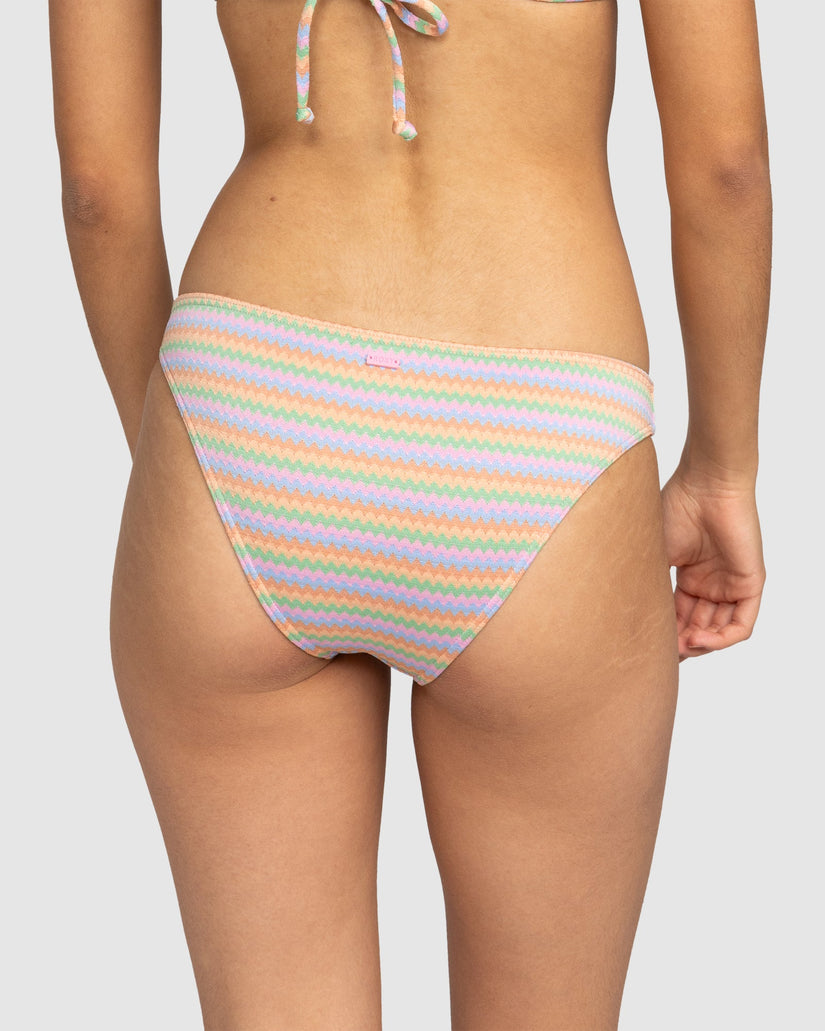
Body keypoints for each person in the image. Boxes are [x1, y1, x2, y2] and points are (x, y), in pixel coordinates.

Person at [49, 0, 770, 1027]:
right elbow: (725, 165)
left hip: (249, 397)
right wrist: (722, 468)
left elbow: (97, 190)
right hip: (539, 417)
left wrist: (191, 455)